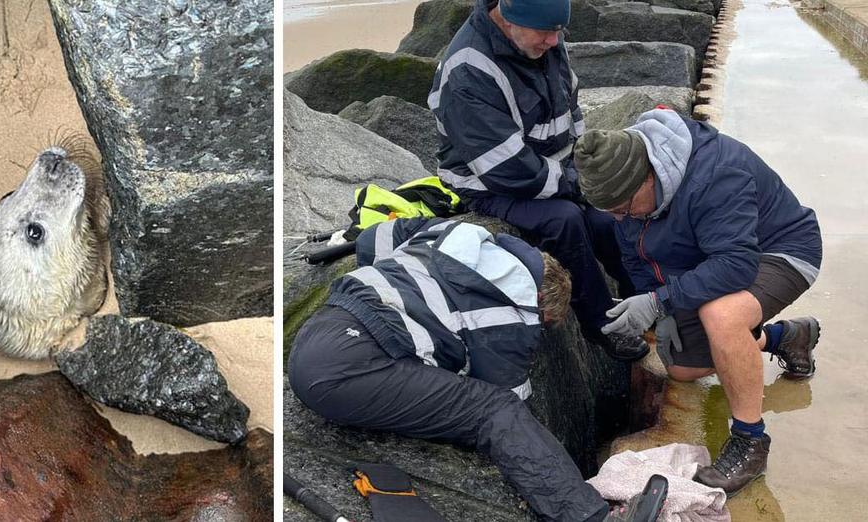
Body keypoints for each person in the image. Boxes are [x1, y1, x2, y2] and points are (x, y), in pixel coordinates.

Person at [289, 217, 659, 521]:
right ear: (542, 301)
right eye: (546, 323)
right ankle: (588, 516)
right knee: (494, 411)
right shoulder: (517, 311)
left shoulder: (448, 234)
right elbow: (504, 405)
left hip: (322, 330)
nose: (539, 331)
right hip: (346, 369)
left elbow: (375, 236)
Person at [572, 107, 823, 497]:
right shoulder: (632, 195)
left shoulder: (714, 175)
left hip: (782, 250)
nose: (621, 218)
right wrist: (655, 305)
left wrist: (660, 302)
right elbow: (638, 256)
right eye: (612, 213)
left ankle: (750, 441)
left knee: (721, 316)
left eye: (624, 207)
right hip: (716, 256)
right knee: (685, 369)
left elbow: (735, 266)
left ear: (650, 175)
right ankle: (782, 338)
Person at [428, 0, 648, 361]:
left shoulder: (542, 37)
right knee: (566, 221)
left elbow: (570, 106)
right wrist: (577, 186)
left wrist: (586, 166)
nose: (553, 41)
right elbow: (507, 168)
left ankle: (645, 300)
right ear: (508, 17)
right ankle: (602, 326)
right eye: (545, 33)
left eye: (558, 31)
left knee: (610, 221)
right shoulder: (468, 68)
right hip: (488, 184)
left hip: (554, 168)